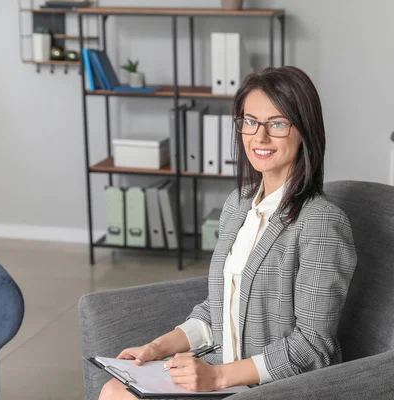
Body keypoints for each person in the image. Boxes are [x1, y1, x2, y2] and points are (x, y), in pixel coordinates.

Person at [98, 66, 357, 399]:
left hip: (275, 387)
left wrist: (218, 378)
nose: (259, 137)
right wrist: (155, 348)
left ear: (304, 131)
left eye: (276, 124)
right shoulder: (238, 204)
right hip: (223, 370)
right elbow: (217, 309)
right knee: (115, 388)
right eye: (250, 121)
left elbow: (312, 346)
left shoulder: (321, 223)